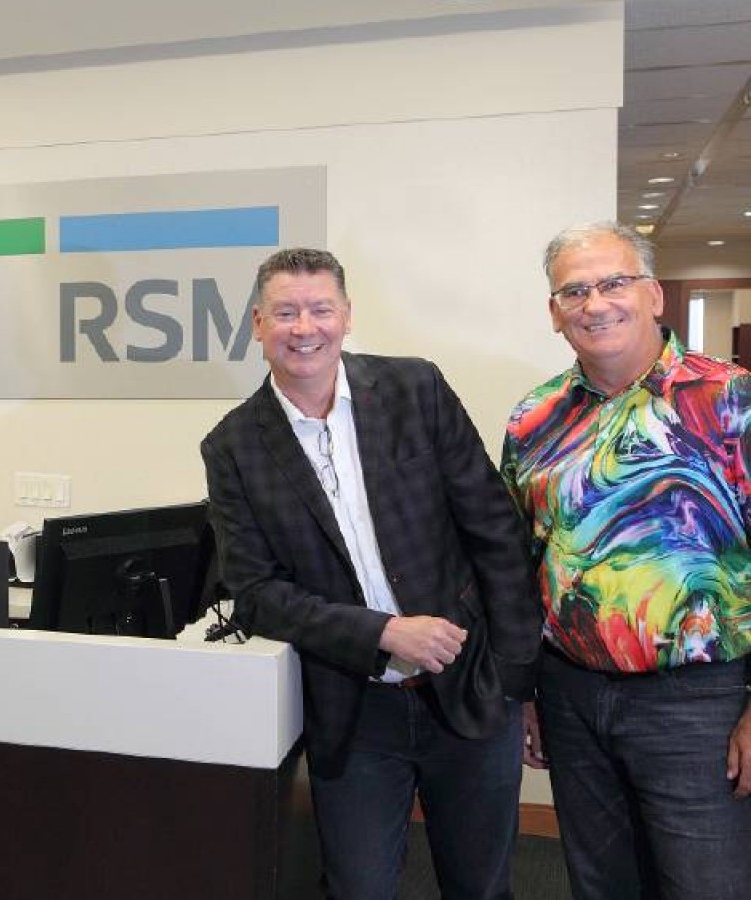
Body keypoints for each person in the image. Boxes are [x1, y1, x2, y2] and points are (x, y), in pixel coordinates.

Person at [201, 248, 542, 899]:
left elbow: (496, 529)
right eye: (286, 312)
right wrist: (382, 632)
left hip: (469, 687)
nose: (306, 328)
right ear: (258, 324)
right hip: (354, 714)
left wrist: (513, 677)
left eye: (321, 309)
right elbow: (256, 594)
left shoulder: (416, 389)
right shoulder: (232, 446)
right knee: (357, 888)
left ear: (347, 316)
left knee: (481, 887)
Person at [502, 221, 751, 900]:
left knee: (708, 885)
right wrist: (526, 691)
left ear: (654, 295)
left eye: (614, 283)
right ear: (555, 313)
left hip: (698, 701)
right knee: (600, 883)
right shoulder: (533, 419)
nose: (595, 304)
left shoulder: (730, 399)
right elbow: (520, 563)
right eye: (574, 291)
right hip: (571, 695)